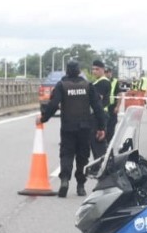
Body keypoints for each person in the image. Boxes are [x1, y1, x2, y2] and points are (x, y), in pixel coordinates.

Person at [40, 60, 107, 197]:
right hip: (85, 127)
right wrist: (101, 127)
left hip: (68, 126)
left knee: (66, 154)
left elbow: (53, 105)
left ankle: (65, 180)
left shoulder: (62, 85)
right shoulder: (88, 86)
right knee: (82, 157)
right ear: (79, 71)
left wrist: (43, 118)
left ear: (66, 71)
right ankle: (81, 186)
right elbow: (98, 108)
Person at [89, 60, 118, 156]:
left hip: (99, 115)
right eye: (93, 69)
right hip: (98, 114)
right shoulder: (97, 81)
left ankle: (101, 166)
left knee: (98, 144)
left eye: (97, 69)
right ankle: (100, 165)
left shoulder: (103, 82)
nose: (94, 71)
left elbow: (97, 100)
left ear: (102, 70)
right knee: (95, 144)